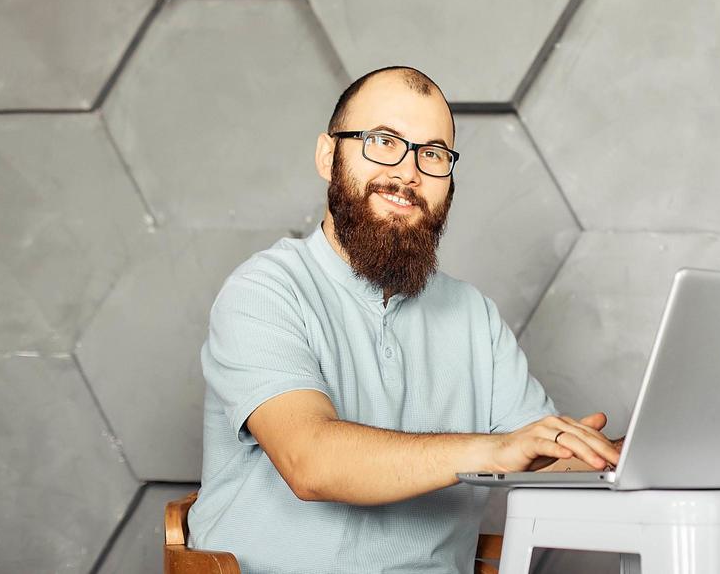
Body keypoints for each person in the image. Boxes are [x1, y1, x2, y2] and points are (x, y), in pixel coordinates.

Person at [188, 66, 619, 574]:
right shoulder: (264, 292)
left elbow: (540, 459)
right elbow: (311, 462)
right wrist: (494, 450)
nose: (408, 174)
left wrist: (619, 457)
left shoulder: (472, 316)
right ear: (329, 156)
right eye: (383, 142)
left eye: (432, 154)